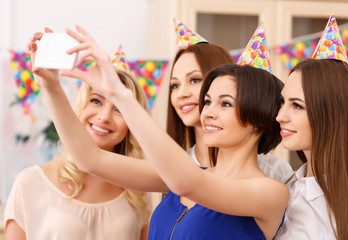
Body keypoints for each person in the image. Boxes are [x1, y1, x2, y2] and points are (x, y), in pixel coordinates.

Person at [39, 25, 289, 239]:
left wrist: (121, 95)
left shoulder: (270, 193)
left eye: (225, 103)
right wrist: (51, 87)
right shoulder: (185, 174)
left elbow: (188, 183)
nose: (208, 112)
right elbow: (90, 159)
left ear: (258, 117)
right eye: (208, 101)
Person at [4, 29, 151, 240]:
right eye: (96, 101)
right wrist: (50, 85)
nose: (104, 116)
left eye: (119, 108)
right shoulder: (29, 183)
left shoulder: (139, 191)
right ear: (80, 105)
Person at [168, 19, 293, 182]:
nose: (181, 94)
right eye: (174, 85)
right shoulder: (175, 166)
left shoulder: (273, 172)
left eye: (195, 80)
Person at [275, 58, 348, 240]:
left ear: (333, 114)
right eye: (282, 102)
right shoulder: (283, 185)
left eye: (297, 106)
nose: (280, 116)